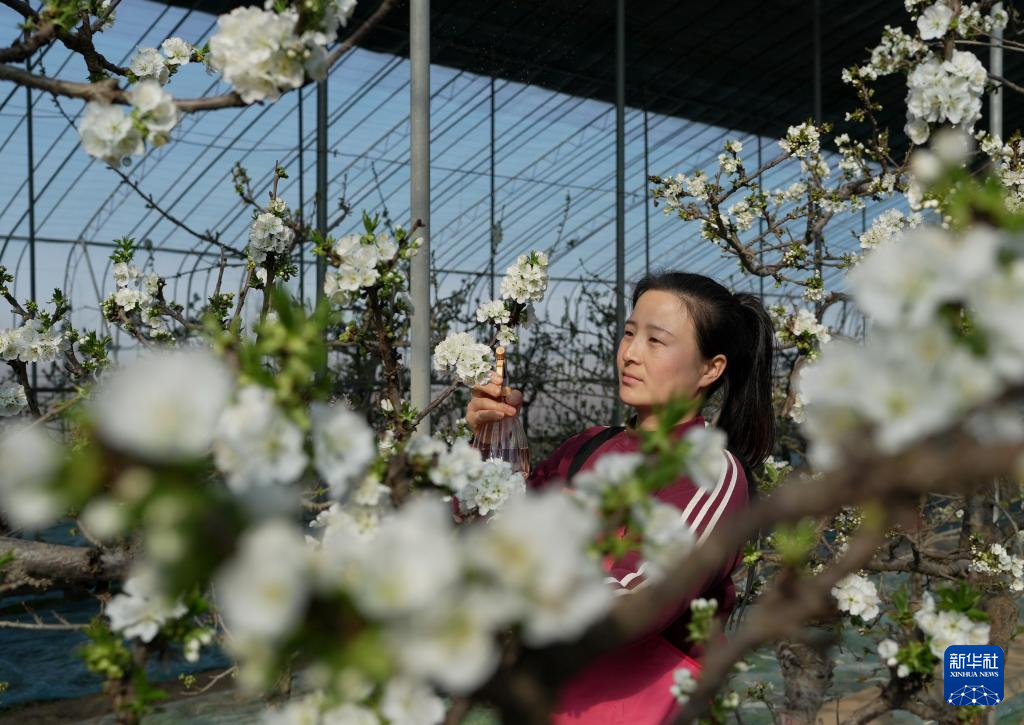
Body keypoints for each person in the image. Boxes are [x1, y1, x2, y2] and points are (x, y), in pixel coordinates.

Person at [465, 271, 776, 724]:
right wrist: (492, 439)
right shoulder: (586, 447)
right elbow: (493, 527)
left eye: (657, 341)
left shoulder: (710, 472)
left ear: (711, 368)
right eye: (629, 333)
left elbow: (641, 599)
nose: (630, 354)